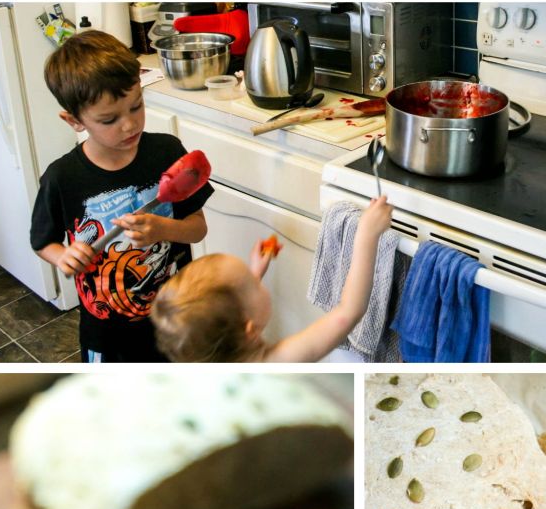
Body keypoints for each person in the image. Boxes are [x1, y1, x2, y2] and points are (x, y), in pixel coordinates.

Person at [30, 30, 212, 362]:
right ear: (74, 120)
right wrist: (63, 257)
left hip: (179, 319)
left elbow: (198, 228)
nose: (129, 125)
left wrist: (163, 229)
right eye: (109, 119)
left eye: (136, 106)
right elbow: (44, 241)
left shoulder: (167, 152)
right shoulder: (62, 178)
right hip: (108, 334)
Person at [151, 197, 393, 362]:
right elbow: (348, 312)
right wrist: (366, 235)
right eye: (253, 282)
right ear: (249, 328)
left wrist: (255, 271)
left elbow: (231, 312)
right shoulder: (282, 359)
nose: (256, 278)